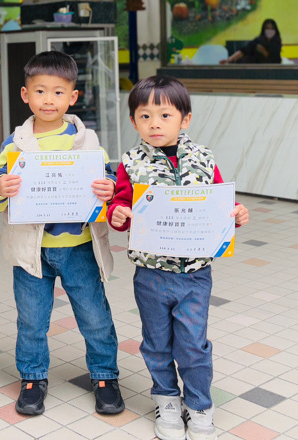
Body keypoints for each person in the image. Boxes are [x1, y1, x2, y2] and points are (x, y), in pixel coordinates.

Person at [0, 51, 123, 417]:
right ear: (25, 95)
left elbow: (110, 180)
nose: (48, 100)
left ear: (73, 97)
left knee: (94, 316)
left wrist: (109, 188)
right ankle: (32, 378)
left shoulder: (88, 141)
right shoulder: (15, 143)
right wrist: (0, 187)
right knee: (31, 319)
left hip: (79, 248)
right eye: (40, 91)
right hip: (32, 251)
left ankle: (105, 376)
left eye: (58, 92)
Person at [107, 76, 250, 440]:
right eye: (145, 116)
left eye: (165, 115)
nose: (154, 124)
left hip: (195, 275)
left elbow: (220, 203)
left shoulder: (204, 158)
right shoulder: (130, 163)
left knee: (192, 344)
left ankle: (200, 405)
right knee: (156, 342)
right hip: (150, 274)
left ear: (185, 119)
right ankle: (167, 400)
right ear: (133, 121)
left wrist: (235, 214)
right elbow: (121, 205)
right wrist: (118, 214)